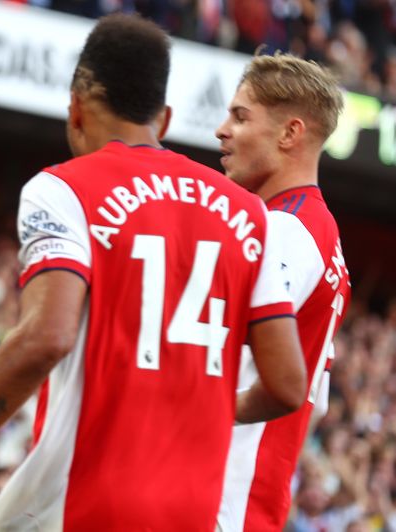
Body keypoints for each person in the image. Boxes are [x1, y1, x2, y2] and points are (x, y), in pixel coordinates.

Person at [0, 14, 308, 531]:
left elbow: (47, 336)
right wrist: (198, 407)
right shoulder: (248, 213)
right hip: (194, 510)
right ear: (167, 119)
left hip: (78, 503)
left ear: (76, 108)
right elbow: (288, 385)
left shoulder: (66, 188)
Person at [216, 53, 351, 532]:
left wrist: (198, 407)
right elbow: (319, 399)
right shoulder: (322, 236)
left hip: (221, 505)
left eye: (240, 115)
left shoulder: (284, 232)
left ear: (290, 133)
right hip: (252, 507)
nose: (221, 130)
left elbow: (285, 386)